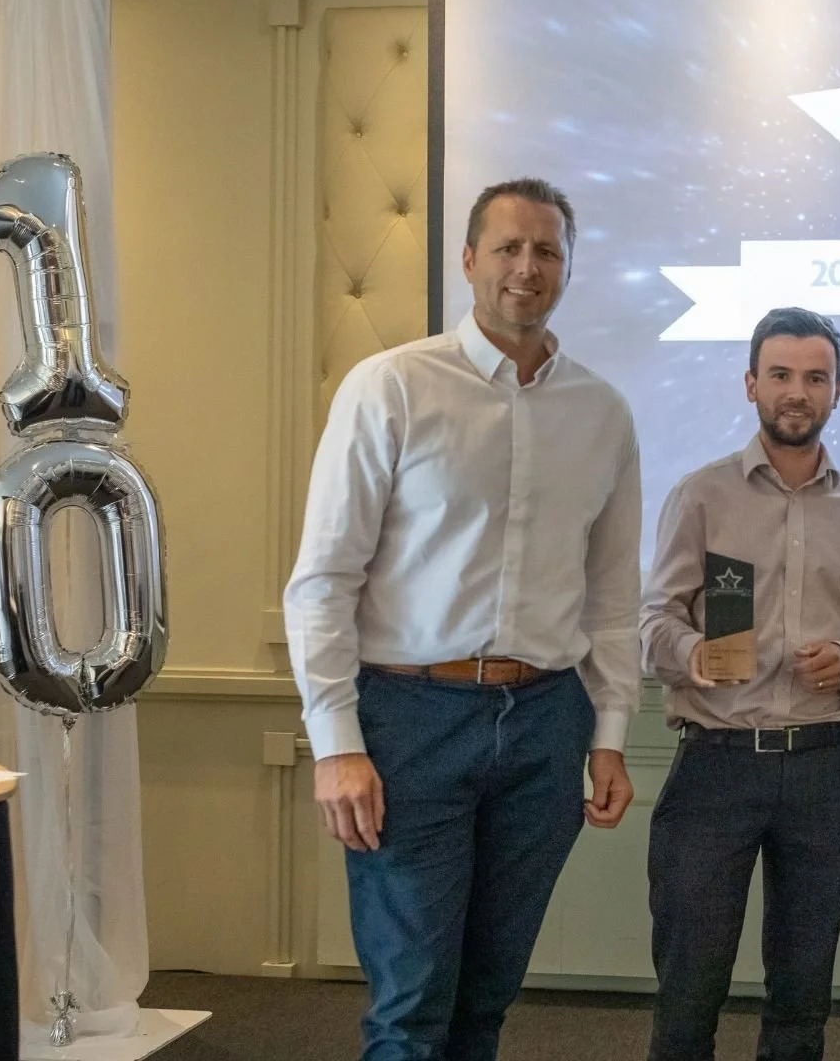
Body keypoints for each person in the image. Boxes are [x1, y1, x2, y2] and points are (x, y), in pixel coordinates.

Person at [283, 177, 640, 1061]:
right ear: (470, 260)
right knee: (411, 1006)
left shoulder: (602, 412)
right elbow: (323, 579)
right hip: (411, 722)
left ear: (569, 268)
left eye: (547, 251)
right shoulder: (392, 387)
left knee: (487, 998)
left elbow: (611, 596)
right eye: (509, 248)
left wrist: (608, 735)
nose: (528, 267)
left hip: (547, 724)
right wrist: (336, 746)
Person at [639, 306, 840, 1061]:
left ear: (837, 391)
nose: (798, 391)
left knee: (802, 996)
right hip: (715, 765)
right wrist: (694, 652)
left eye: (815, 378)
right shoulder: (701, 496)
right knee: (689, 989)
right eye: (781, 375)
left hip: (823, 769)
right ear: (751, 384)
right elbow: (653, 622)